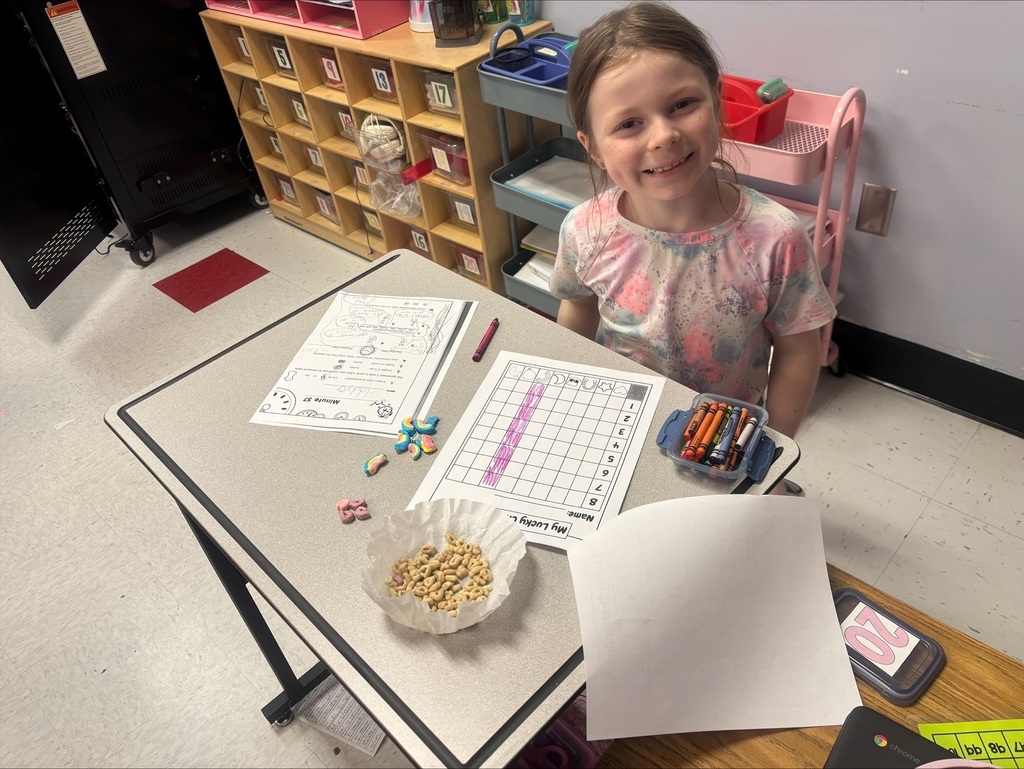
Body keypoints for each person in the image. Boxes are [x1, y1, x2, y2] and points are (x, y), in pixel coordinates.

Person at [549, 0, 835, 493]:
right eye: (628, 123)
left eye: (682, 104)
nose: (664, 135)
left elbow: (797, 352)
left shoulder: (775, 237)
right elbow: (577, 313)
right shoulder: (584, 230)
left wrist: (770, 450)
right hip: (623, 434)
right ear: (592, 146)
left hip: (727, 447)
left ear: (717, 102)